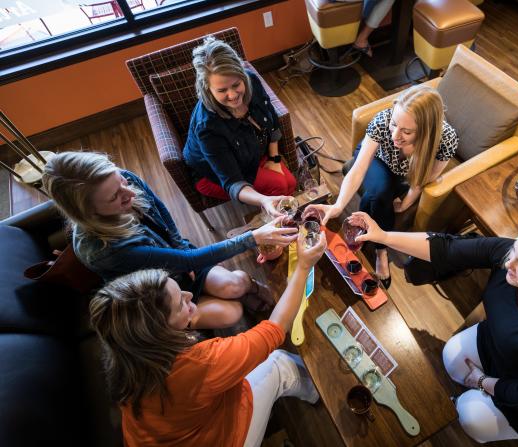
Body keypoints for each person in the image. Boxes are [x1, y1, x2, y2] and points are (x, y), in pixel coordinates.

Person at [349, 212, 518, 443]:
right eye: (515, 250)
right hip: (511, 350)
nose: (507, 263)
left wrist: (482, 382)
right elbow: (447, 248)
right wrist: (382, 236)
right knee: (451, 358)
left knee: (469, 415)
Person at [89, 230, 327, 447]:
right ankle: (323, 395)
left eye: (179, 289)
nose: (189, 294)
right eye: (180, 303)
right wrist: (304, 267)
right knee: (280, 363)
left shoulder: (126, 350)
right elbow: (275, 329)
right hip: (215, 439)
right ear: (162, 331)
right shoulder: (199, 363)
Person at [42, 151, 298, 329]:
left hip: (178, 262)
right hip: (159, 297)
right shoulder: (103, 251)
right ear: (88, 212)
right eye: (114, 197)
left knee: (238, 283)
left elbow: (165, 217)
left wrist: (179, 248)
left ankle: (247, 290)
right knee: (233, 313)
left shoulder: (120, 178)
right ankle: (187, 322)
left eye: (120, 180)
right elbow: (186, 259)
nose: (129, 190)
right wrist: (252, 237)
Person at [305, 85, 458, 288]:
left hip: (405, 174)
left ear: (425, 131)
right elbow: (358, 169)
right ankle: (381, 249)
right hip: (379, 159)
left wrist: (404, 205)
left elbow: (421, 180)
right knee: (378, 194)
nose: (395, 135)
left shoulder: (446, 140)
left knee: (372, 199)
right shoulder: (382, 121)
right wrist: (338, 206)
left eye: (406, 131)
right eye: (394, 124)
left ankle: (370, 236)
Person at [183, 37, 297, 217]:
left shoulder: (251, 80)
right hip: (216, 173)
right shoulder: (207, 127)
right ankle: (279, 222)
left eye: (236, 84)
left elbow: (271, 119)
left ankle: (282, 217)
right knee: (280, 186)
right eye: (221, 91)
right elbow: (232, 182)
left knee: (290, 183)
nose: (233, 95)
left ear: (242, 76)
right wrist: (263, 200)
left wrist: (274, 159)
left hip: (251, 153)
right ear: (207, 89)